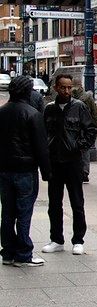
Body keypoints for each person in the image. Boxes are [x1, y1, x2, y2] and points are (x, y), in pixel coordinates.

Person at [42, 74, 97, 256]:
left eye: (69, 88)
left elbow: (91, 130)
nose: (67, 91)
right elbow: (44, 134)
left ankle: (78, 240)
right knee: (54, 204)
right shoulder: (49, 109)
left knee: (77, 202)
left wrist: (78, 147)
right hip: (55, 162)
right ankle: (56, 239)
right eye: (63, 87)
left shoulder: (79, 107)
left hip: (73, 162)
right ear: (56, 88)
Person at [0, 77, 51, 267]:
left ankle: (7, 252)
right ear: (28, 92)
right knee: (23, 212)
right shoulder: (33, 114)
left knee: (7, 212)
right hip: (25, 171)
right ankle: (23, 253)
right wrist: (47, 173)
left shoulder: (2, 112)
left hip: (4, 170)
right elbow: (41, 148)